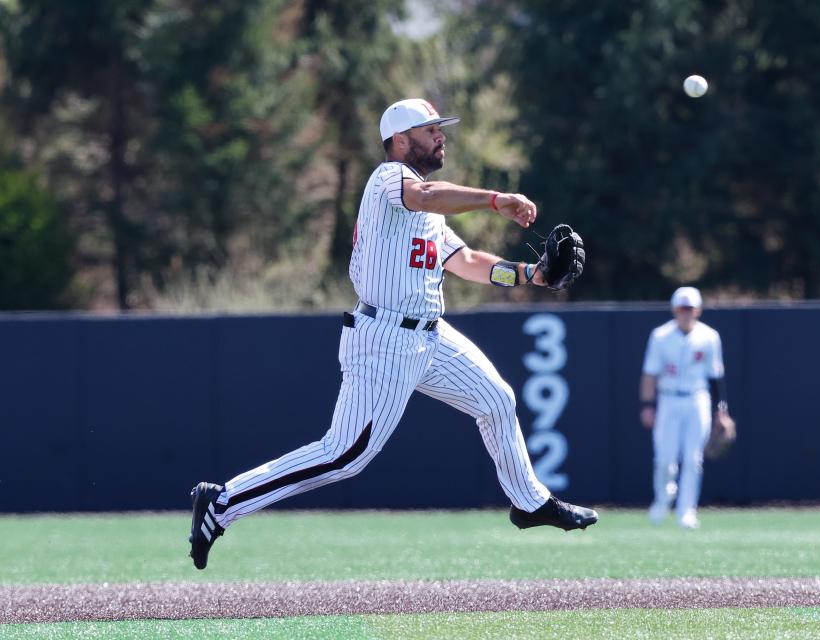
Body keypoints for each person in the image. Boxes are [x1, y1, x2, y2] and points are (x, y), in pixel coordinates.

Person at [188, 98, 598, 569]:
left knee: (497, 400)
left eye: (440, 129)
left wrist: (534, 275)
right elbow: (425, 195)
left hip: (429, 336)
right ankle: (222, 502)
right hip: (383, 339)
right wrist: (493, 199)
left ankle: (529, 502)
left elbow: (466, 263)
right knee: (344, 456)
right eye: (430, 130)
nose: (441, 135)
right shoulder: (389, 179)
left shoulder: (429, 210)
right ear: (400, 141)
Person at [639, 286, 728, 529]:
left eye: (689, 308)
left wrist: (721, 411)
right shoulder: (660, 336)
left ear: (697, 310)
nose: (685, 313)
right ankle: (662, 499)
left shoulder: (709, 336)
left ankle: (687, 510)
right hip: (668, 399)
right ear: (674, 310)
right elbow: (650, 374)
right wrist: (648, 404)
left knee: (693, 458)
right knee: (665, 458)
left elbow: (716, 375)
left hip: (697, 398)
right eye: (681, 308)